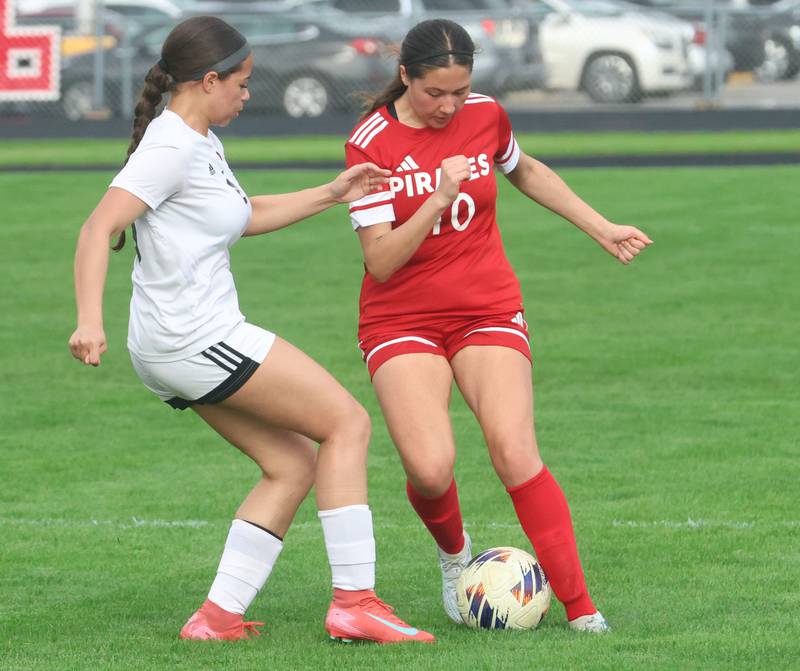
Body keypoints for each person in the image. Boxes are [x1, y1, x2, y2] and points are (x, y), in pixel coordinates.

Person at [68, 16, 434, 645]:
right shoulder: (170, 148)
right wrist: (88, 321)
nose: (246, 94)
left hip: (178, 342)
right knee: (347, 423)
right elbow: (98, 227)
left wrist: (333, 193)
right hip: (194, 338)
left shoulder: (199, 137)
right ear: (208, 81)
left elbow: (242, 214)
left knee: (291, 465)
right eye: (240, 83)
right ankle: (355, 603)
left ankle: (216, 618)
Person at [344, 19, 653, 633]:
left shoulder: (486, 115)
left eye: (459, 92)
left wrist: (601, 227)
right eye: (435, 93)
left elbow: (525, 170)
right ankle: (455, 557)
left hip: (486, 308)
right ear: (405, 76)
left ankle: (581, 609)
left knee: (515, 450)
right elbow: (380, 260)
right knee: (430, 467)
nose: (449, 106)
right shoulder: (370, 142)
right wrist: (437, 197)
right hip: (401, 317)